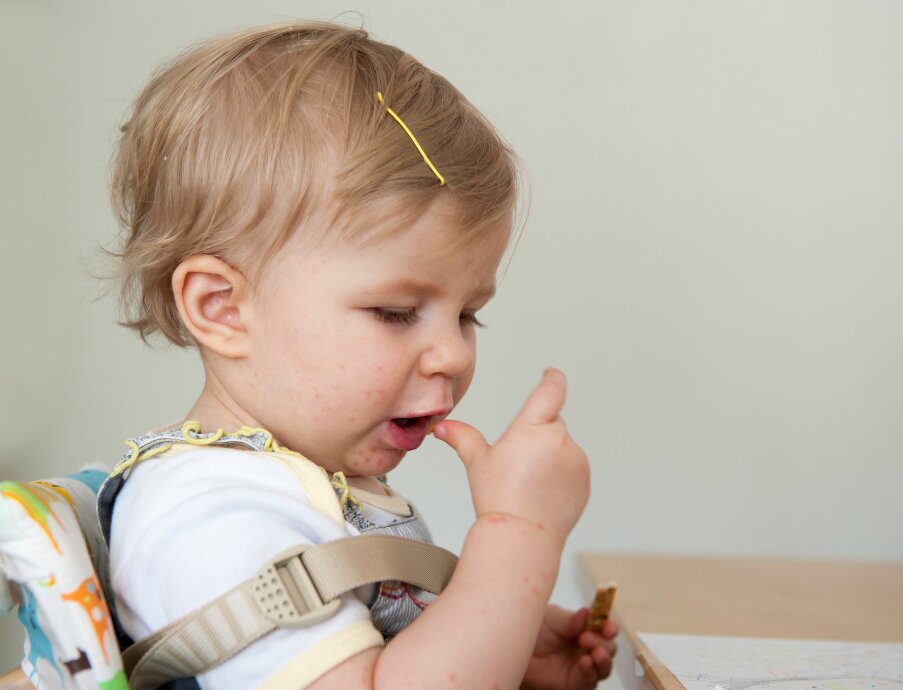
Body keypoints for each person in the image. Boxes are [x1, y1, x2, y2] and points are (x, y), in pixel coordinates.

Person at [102, 20, 618, 690]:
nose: (453, 356)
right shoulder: (211, 516)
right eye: (396, 312)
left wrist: (509, 651)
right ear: (223, 308)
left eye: (467, 314)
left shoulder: (304, 487)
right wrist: (520, 533)